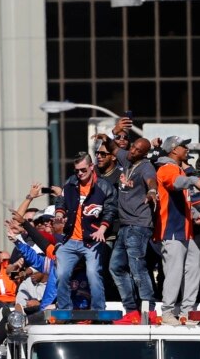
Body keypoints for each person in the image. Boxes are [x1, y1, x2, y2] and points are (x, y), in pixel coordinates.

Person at [157, 136, 200, 325]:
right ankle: (167, 312)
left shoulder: (178, 168)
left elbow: (182, 198)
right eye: (183, 146)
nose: (187, 148)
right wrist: (195, 180)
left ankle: (187, 311)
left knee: (192, 269)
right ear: (173, 150)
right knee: (174, 271)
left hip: (185, 231)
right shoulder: (166, 168)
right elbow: (177, 183)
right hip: (171, 230)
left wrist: (195, 213)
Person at [55, 153, 117, 311]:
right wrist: (59, 214)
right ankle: (64, 309)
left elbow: (111, 210)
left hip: (92, 240)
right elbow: (61, 200)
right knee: (61, 274)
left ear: (91, 167)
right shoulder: (70, 183)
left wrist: (102, 229)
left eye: (83, 170)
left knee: (93, 274)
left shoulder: (103, 186)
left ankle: (98, 310)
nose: (80, 174)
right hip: (70, 239)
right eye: (77, 171)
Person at [110, 137, 159, 323]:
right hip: (125, 226)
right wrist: (106, 138)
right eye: (133, 147)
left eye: (138, 150)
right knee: (116, 267)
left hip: (138, 225)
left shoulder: (145, 166)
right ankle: (132, 312)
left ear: (144, 153)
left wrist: (152, 191)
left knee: (138, 268)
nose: (132, 151)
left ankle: (150, 311)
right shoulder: (126, 159)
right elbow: (114, 148)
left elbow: (151, 181)